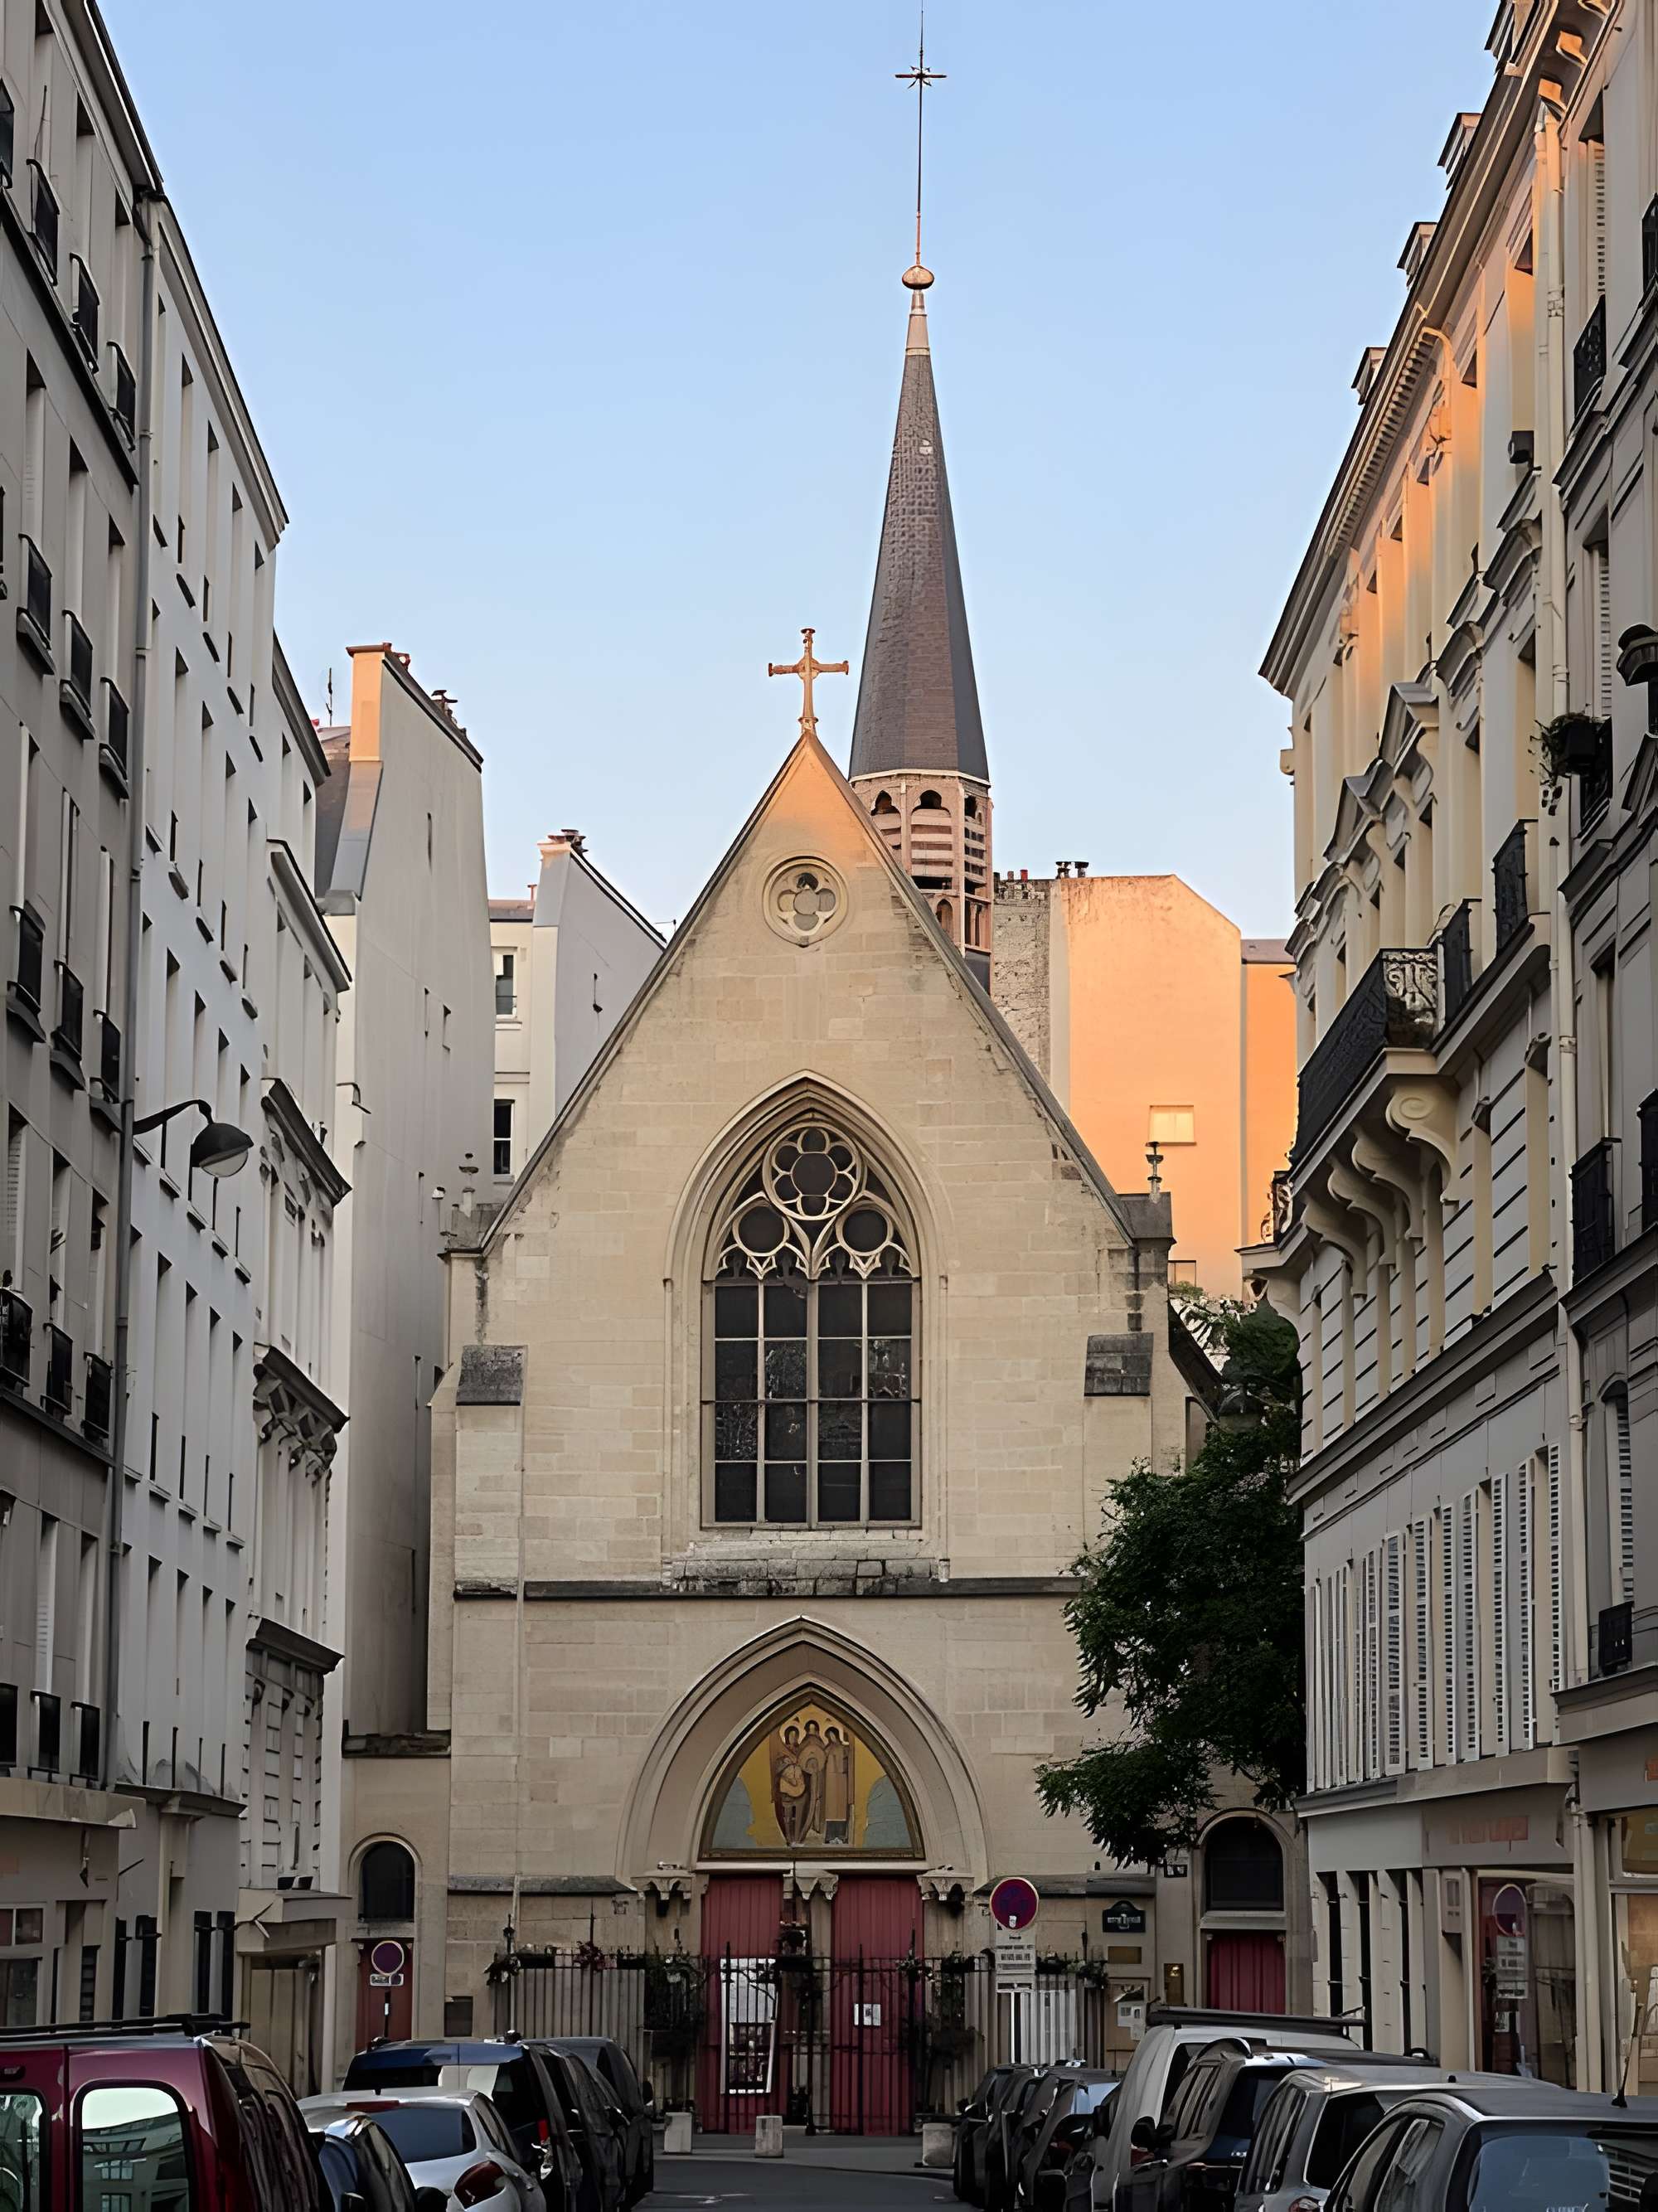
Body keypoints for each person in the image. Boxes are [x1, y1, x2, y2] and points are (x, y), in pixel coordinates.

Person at [770, 1725, 809, 1844]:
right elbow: (776, 1767)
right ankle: (787, 1837)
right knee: (787, 1815)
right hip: (786, 1788)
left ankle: (797, 1838)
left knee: (799, 1815)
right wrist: (784, 1763)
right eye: (791, 1735)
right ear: (787, 1736)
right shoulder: (782, 1750)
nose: (793, 1738)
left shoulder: (801, 1749)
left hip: (800, 1786)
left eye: (795, 1735)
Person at [822, 1724, 853, 1844]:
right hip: (830, 1781)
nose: (832, 1738)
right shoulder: (827, 1749)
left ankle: (841, 1835)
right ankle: (830, 1836)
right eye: (829, 1736)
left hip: (841, 1780)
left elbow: (847, 1762)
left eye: (833, 1735)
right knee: (831, 1809)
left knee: (840, 1809)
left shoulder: (844, 1748)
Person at [798, 1719, 828, 1841]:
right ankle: (808, 1825)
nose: (811, 1732)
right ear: (806, 1730)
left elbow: (823, 1757)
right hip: (806, 1775)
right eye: (809, 1729)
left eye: (813, 1729)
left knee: (818, 1799)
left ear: (817, 1730)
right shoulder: (804, 1742)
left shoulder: (820, 1742)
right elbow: (800, 1756)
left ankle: (817, 1825)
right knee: (809, 1800)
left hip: (819, 1774)